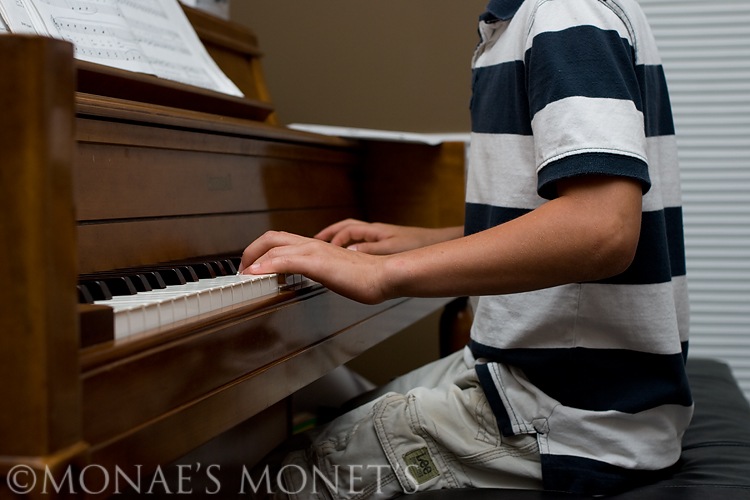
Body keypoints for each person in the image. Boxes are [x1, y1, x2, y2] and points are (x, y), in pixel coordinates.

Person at [238, 0, 693, 497]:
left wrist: (382, 275)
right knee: (321, 419)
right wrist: (425, 242)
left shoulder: (564, 11)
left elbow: (601, 229)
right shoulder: (521, 20)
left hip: (569, 415)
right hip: (531, 378)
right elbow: (557, 214)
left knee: (269, 480)